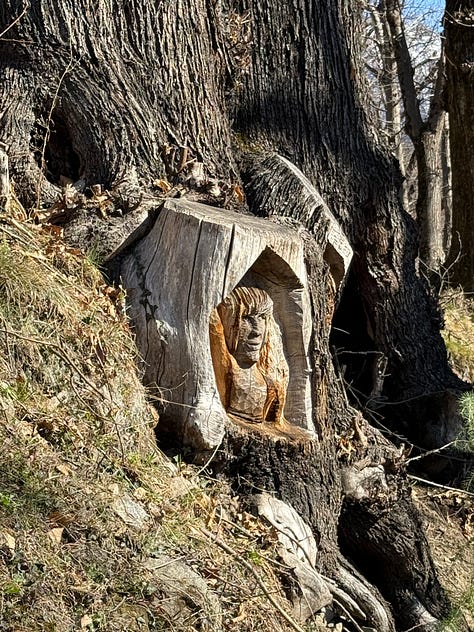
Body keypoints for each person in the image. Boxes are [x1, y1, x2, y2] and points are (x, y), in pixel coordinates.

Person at [210, 286, 288, 424]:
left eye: (263, 318)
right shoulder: (226, 369)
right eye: (246, 318)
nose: (257, 331)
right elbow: (214, 327)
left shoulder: (270, 383)